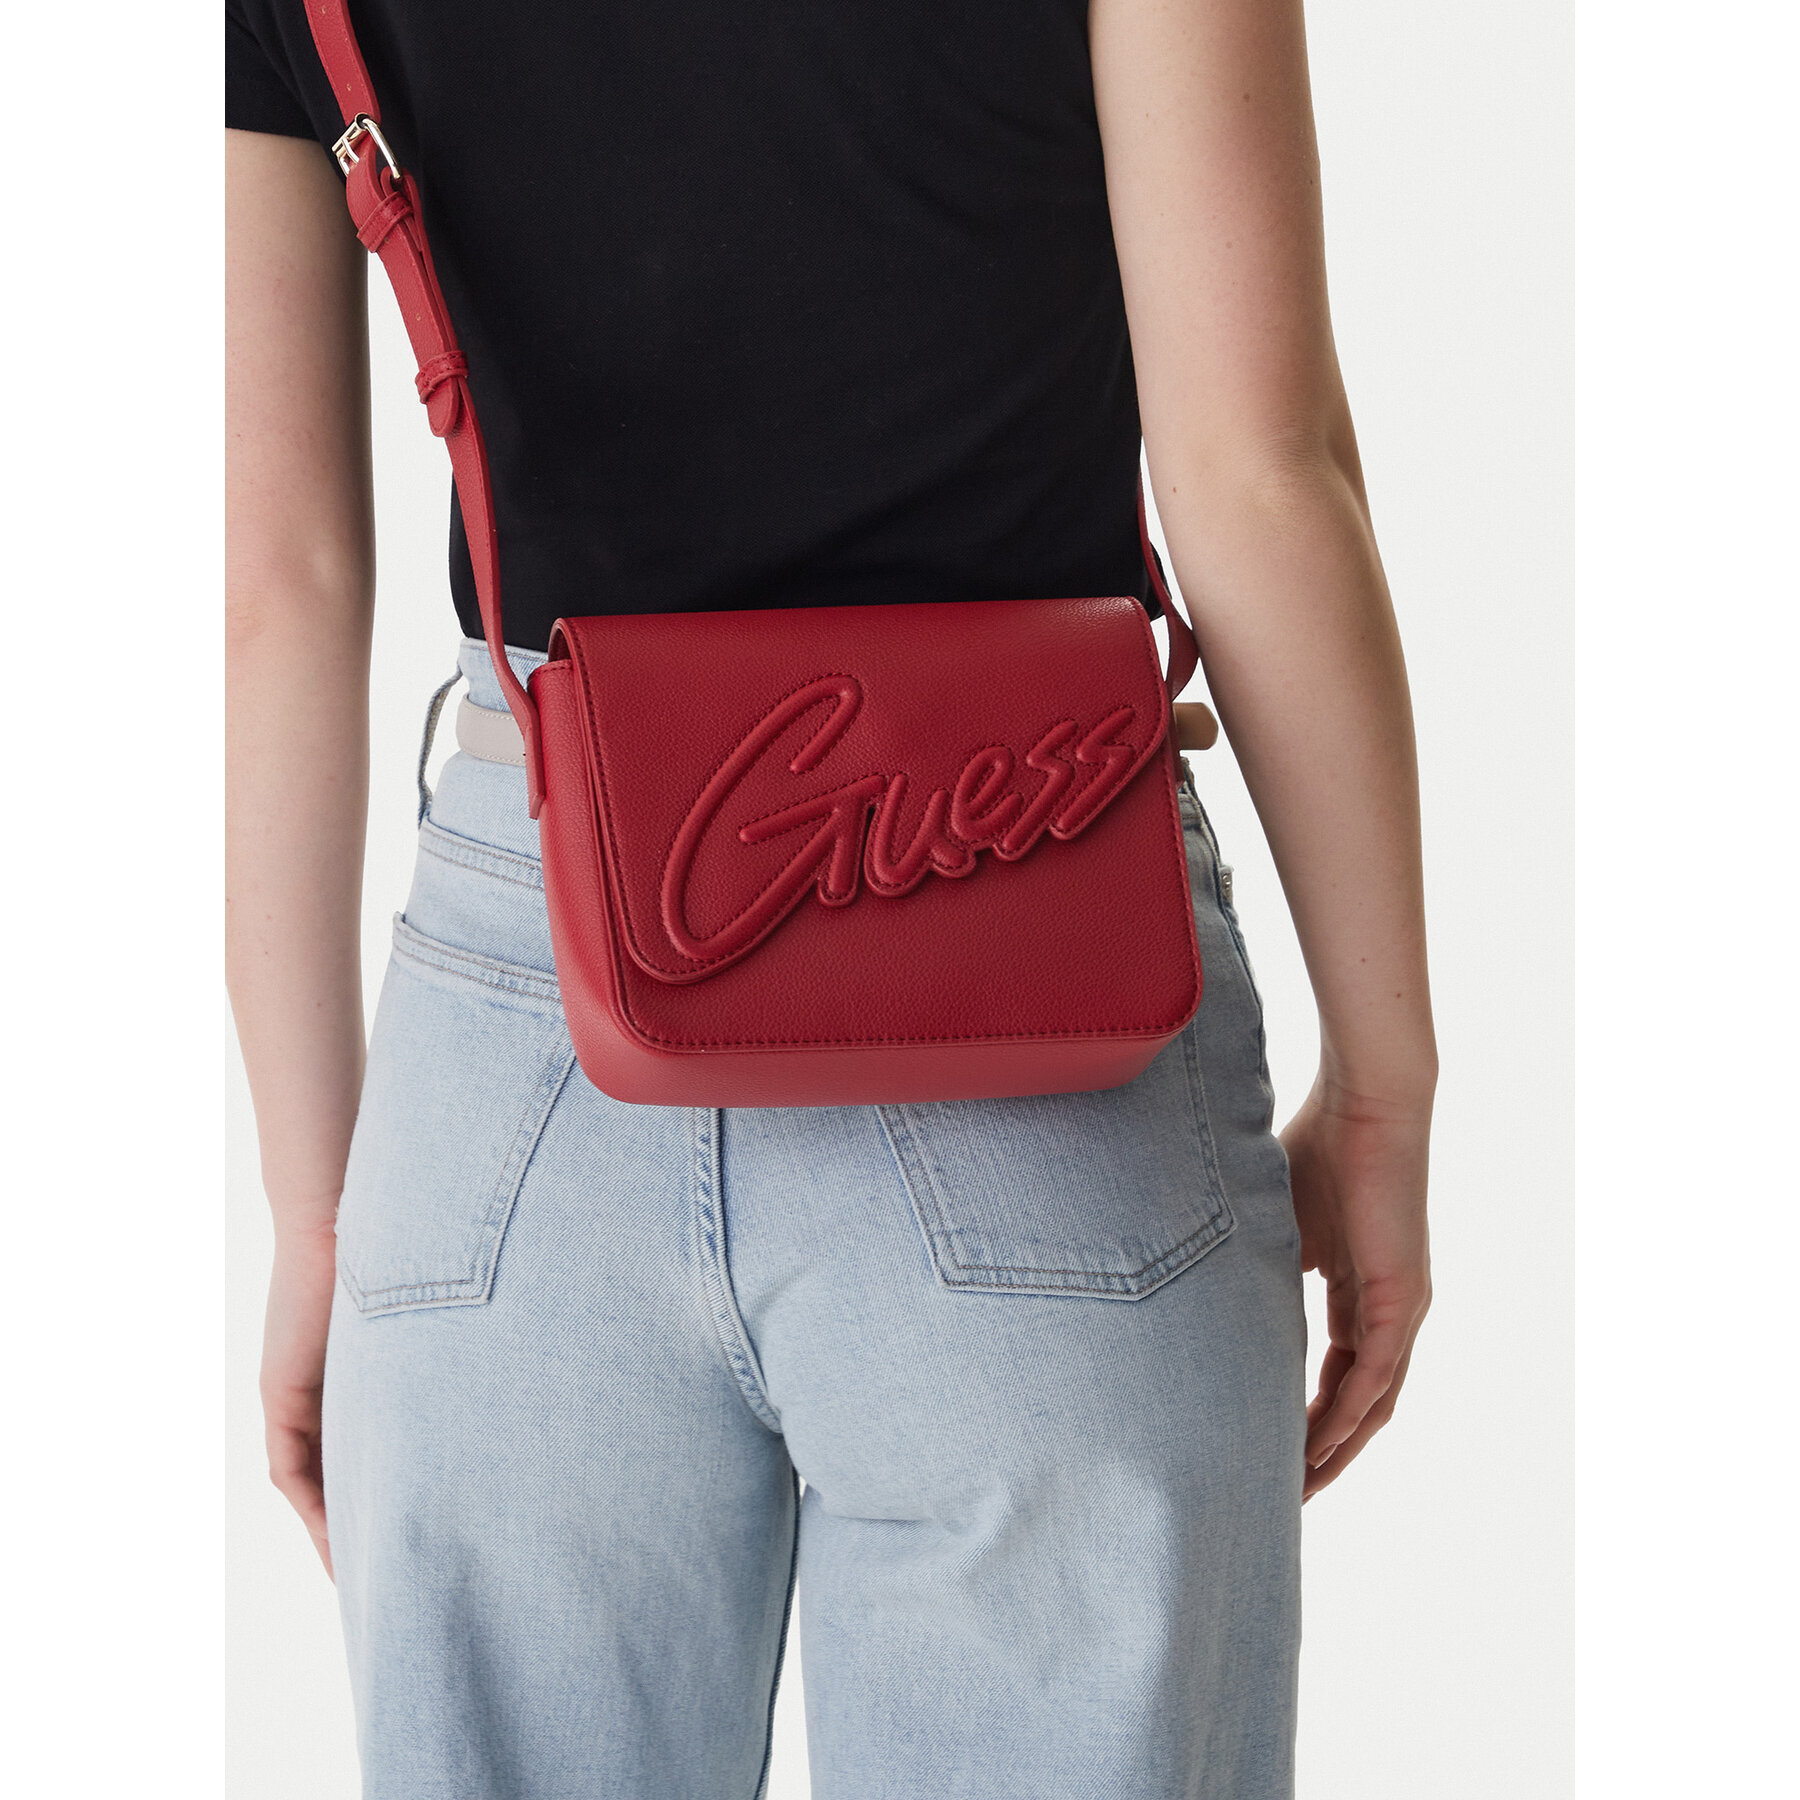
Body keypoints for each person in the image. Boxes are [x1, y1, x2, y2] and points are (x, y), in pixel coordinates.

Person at [225, 0, 1435, 1792]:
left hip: (519, 1060)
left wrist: (318, 1204)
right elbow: (1260, 476)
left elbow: (279, 586)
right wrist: (1387, 1092)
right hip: (1030, 942)